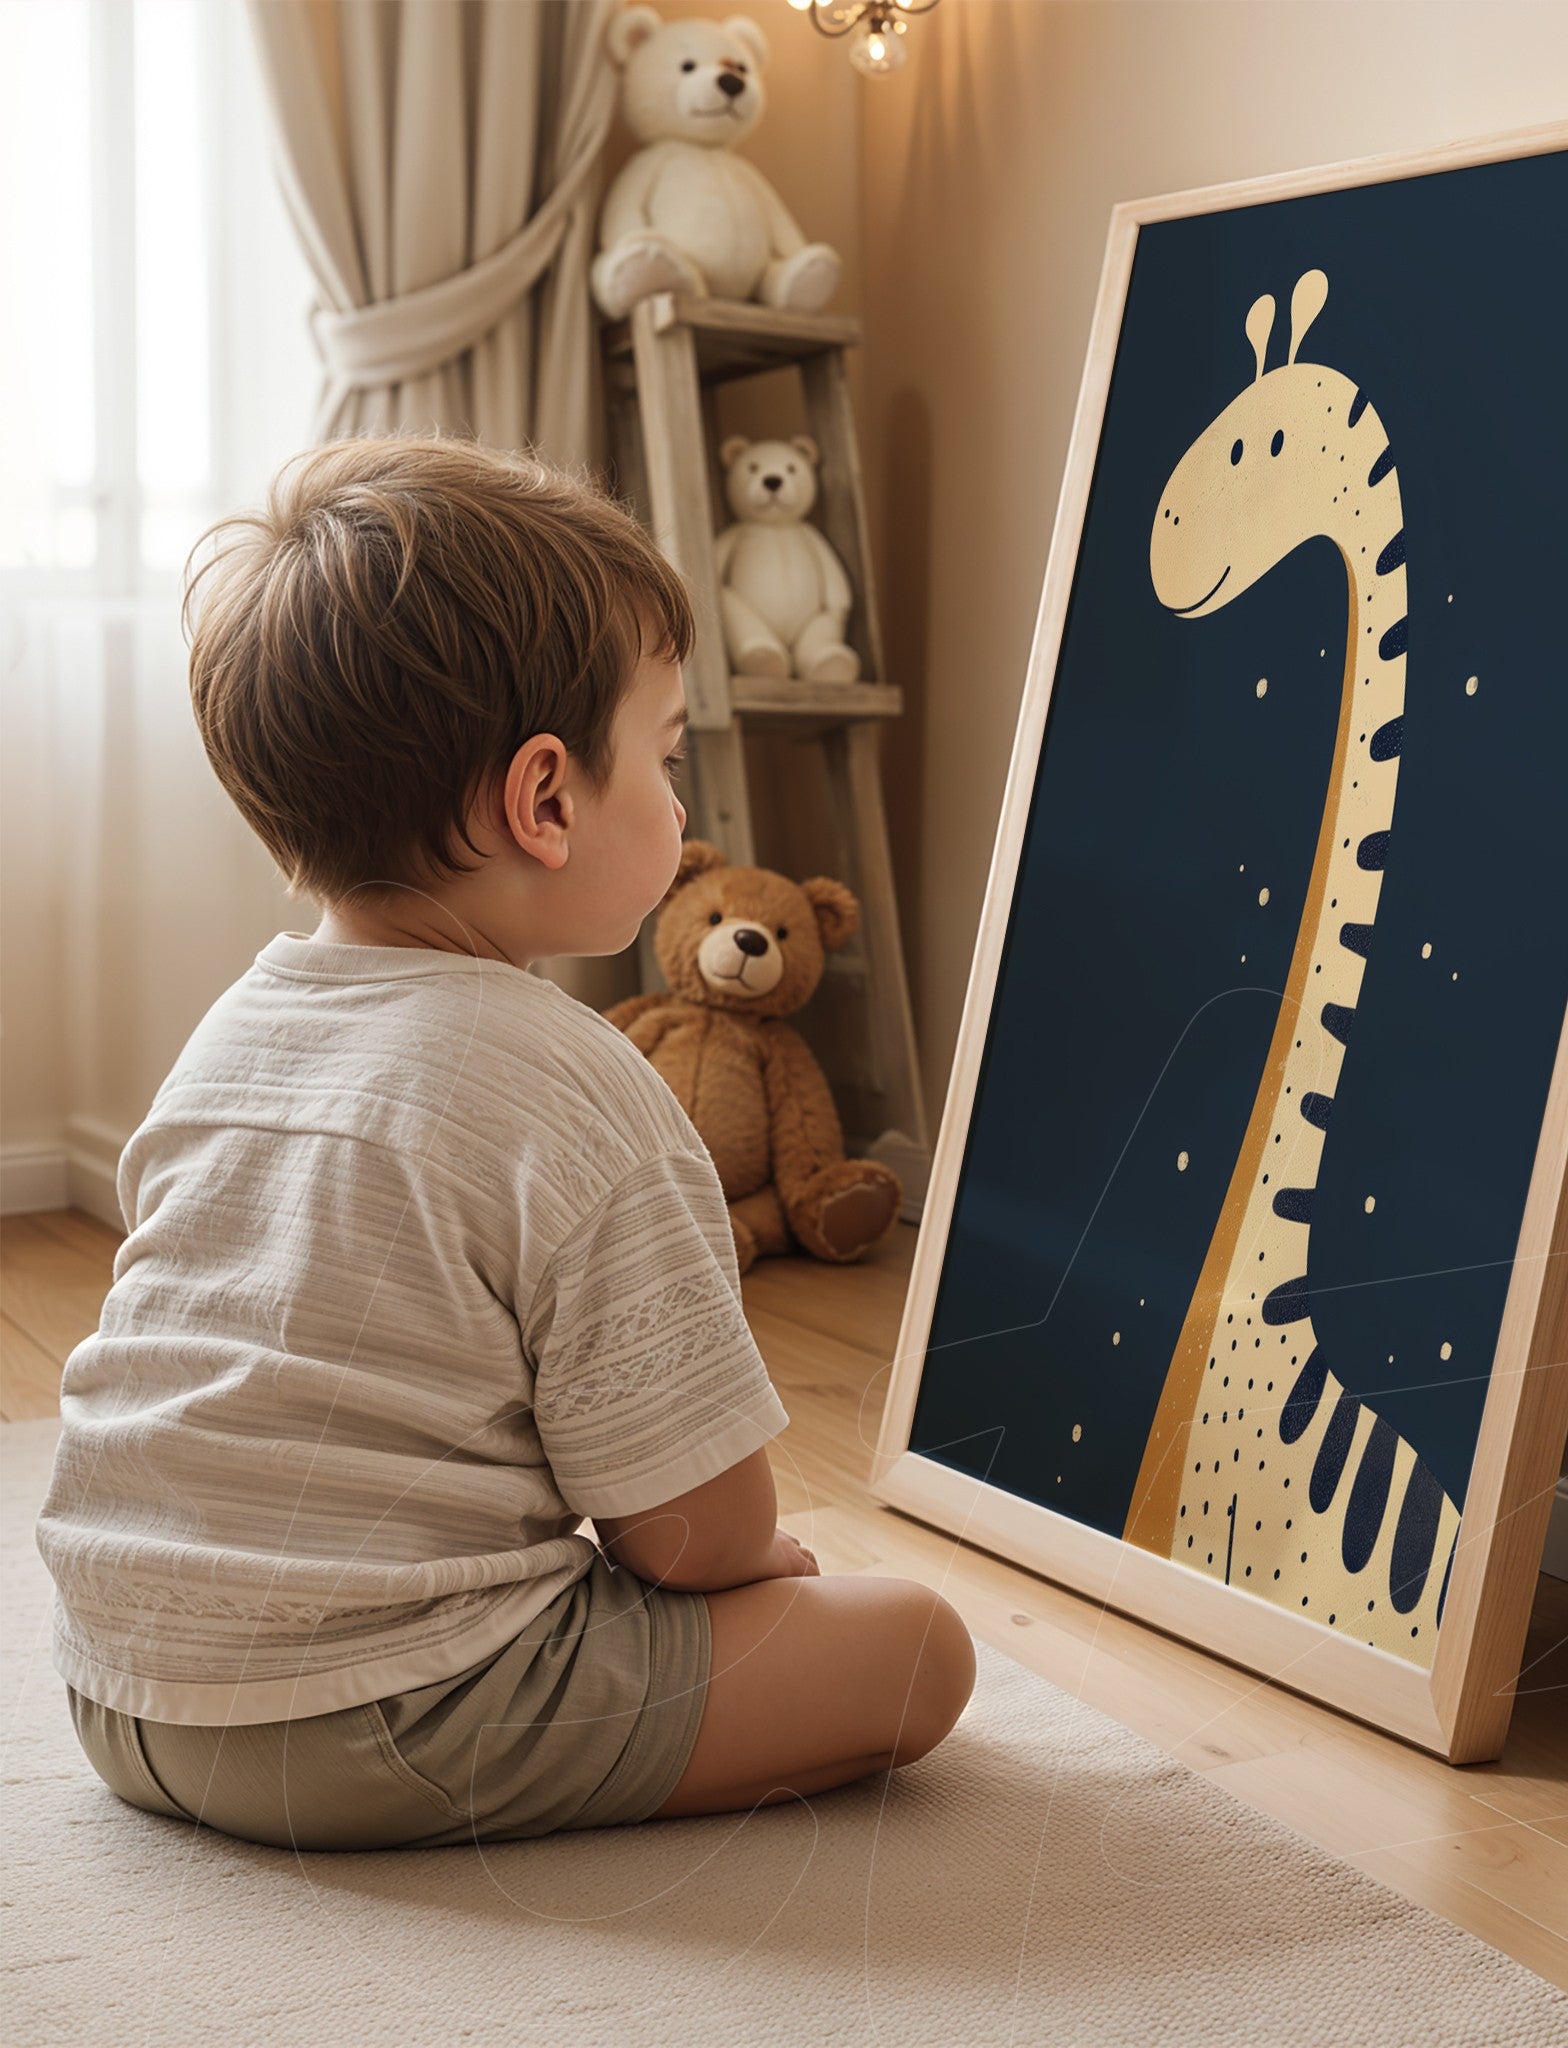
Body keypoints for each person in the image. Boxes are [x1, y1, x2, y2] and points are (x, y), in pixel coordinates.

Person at [34, 434, 975, 1851]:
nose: (681, 809)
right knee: (916, 1647)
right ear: (544, 803)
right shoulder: (576, 1085)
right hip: (368, 1715)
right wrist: (760, 1568)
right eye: (663, 761)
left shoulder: (234, 1030)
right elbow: (688, 1537)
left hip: (119, 1689)